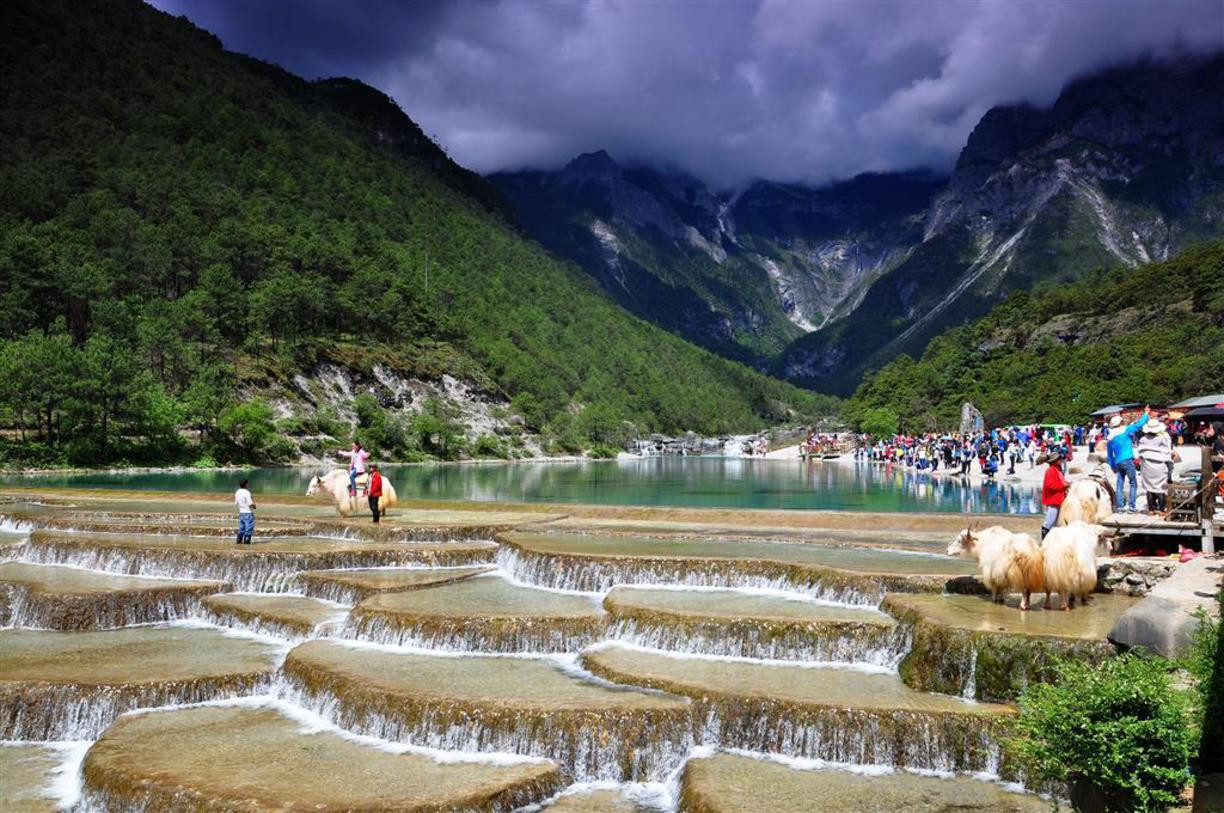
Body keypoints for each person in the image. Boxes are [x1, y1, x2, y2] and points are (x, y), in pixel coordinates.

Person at [1107, 405, 1150, 513]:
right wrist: (1146, 413)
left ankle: (1120, 507)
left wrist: (1112, 466)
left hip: (1118, 462)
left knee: (1119, 484)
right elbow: (1139, 425)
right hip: (1127, 460)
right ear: (1120, 423)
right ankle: (1131, 506)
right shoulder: (1125, 430)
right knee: (1133, 483)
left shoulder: (1110, 437)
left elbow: (1109, 455)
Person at [1137, 419, 1174, 514]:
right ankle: (1161, 510)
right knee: (1161, 488)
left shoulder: (1143, 439)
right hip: (1160, 465)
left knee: (1149, 488)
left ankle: (1151, 510)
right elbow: (1168, 452)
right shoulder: (1162, 439)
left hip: (1147, 466)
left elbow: (1140, 454)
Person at [1040, 450, 1068, 540]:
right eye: (1059, 459)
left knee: (1055, 521)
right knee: (1049, 521)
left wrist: (1066, 484)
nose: (1061, 460)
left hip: (1058, 498)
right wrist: (1065, 485)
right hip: (1054, 499)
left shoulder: (1056, 470)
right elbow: (1050, 485)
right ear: (1055, 461)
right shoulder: (1051, 471)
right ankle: (1044, 539)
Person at [234, 478, 255, 545]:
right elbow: (250, 503)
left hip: (241, 512)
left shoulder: (237, 492)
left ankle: (238, 542)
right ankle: (246, 543)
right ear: (246, 484)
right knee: (249, 529)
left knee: (241, 528)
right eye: (247, 483)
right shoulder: (247, 492)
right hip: (248, 512)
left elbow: (236, 503)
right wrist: (254, 506)